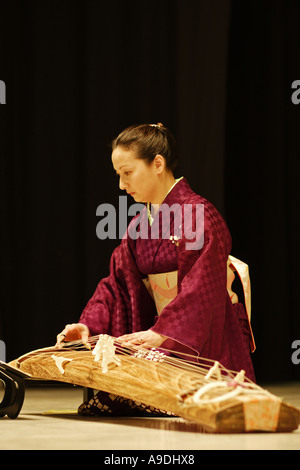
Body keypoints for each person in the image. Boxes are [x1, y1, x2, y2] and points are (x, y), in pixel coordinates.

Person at [56, 123, 255, 415]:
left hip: (201, 337)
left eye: (127, 173)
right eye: (118, 175)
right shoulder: (139, 226)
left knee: (131, 395)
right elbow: (117, 286)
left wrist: (163, 332)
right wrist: (88, 325)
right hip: (164, 334)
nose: (122, 185)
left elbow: (201, 292)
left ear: (157, 163)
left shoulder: (199, 215)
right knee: (111, 392)